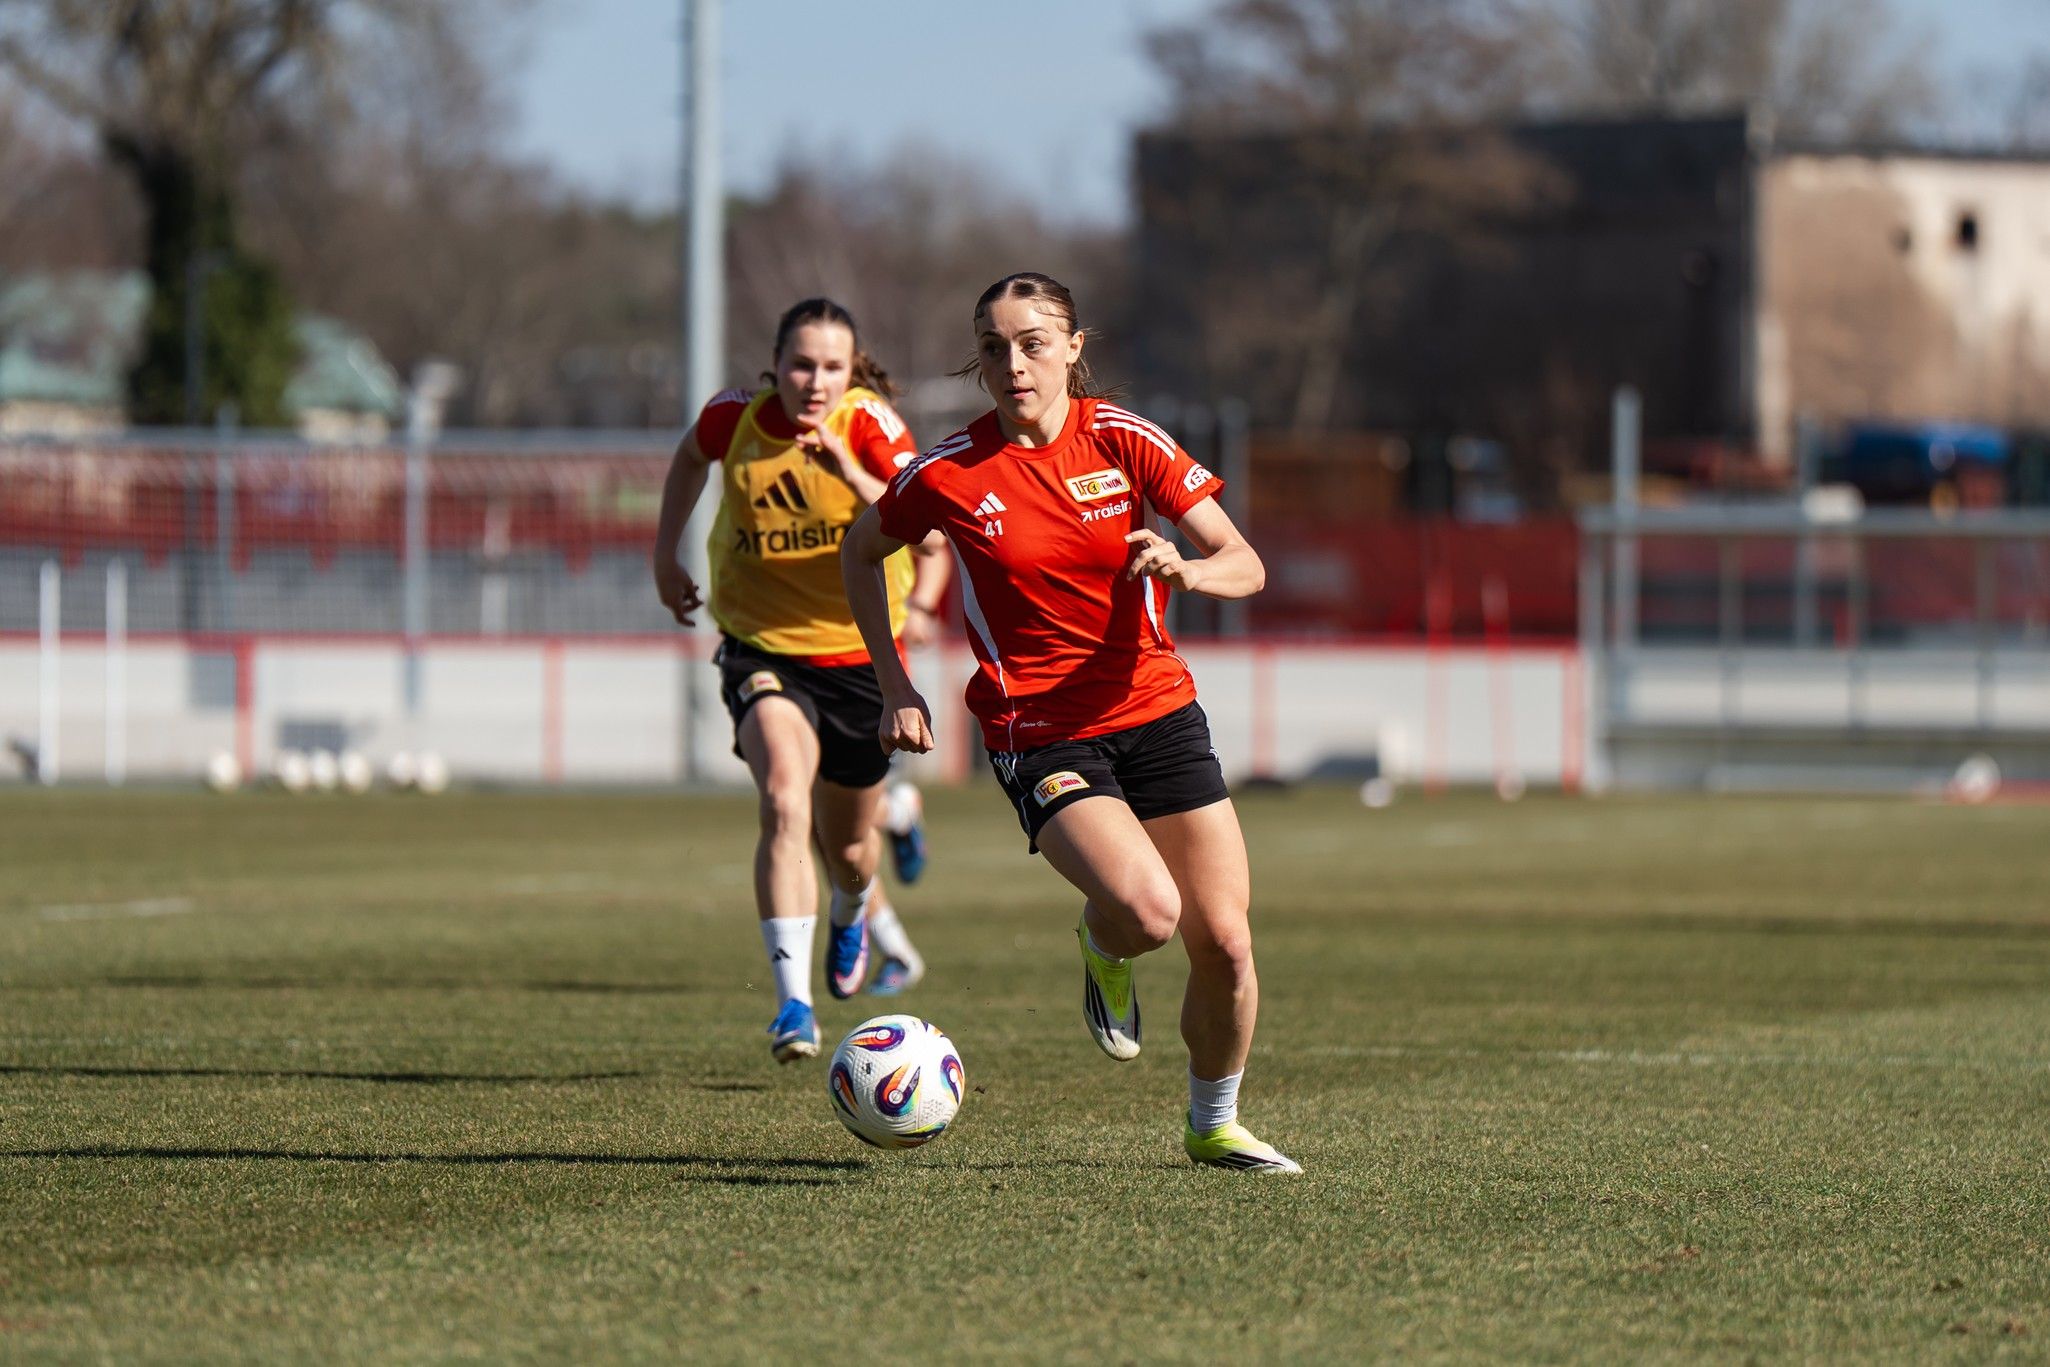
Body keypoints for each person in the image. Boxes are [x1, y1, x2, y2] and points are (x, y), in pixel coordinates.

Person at [840, 272, 1299, 1173]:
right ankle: (1103, 941)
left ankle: (1214, 1121)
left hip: (1160, 712)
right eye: (993, 347)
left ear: (1073, 348)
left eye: (1033, 342)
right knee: (1146, 910)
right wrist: (893, 682)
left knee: (1230, 944)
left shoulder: (1125, 438)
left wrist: (1186, 570)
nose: (1013, 363)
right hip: (1038, 729)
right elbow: (863, 553)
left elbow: (1244, 561)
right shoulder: (949, 471)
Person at [653, 297, 948, 1063]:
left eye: (831, 367)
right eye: (800, 363)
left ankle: (853, 911)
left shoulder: (871, 426)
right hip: (762, 648)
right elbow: (689, 458)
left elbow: (925, 520)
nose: (814, 381)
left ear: (852, 372)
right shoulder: (735, 419)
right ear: (775, 363)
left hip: (860, 655)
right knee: (785, 798)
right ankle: (792, 1006)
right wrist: (665, 554)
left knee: (850, 851)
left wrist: (845, 469)